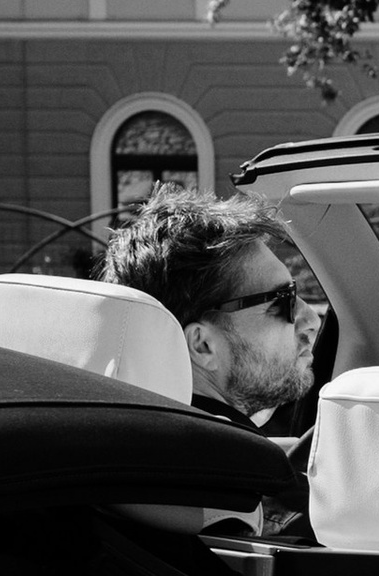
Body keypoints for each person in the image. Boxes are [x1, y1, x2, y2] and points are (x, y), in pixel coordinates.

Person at [104, 186, 317, 535]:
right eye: (283, 301)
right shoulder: (258, 493)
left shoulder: (111, 453)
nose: (311, 321)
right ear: (202, 345)